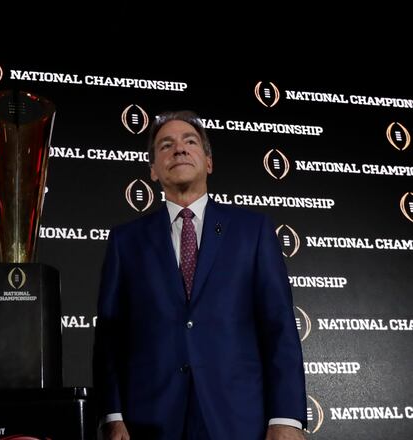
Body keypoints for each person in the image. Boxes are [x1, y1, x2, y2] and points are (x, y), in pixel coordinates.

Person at [93, 111, 306, 440]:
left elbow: (278, 327)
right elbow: (110, 336)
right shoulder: (126, 241)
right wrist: (112, 414)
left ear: (209, 162)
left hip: (238, 420)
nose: (178, 149)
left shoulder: (254, 231)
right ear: (152, 169)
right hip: (148, 421)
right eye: (166, 145)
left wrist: (286, 418)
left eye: (189, 142)